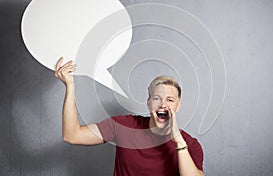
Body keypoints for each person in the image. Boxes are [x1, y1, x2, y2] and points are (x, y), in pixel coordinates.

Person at [55, 57, 204, 176]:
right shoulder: (124, 126)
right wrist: (70, 86)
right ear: (148, 103)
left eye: (170, 100)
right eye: (157, 98)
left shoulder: (191, 145)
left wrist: (178, 140)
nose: (163, 105)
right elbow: (72, 135)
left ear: (178, 106)